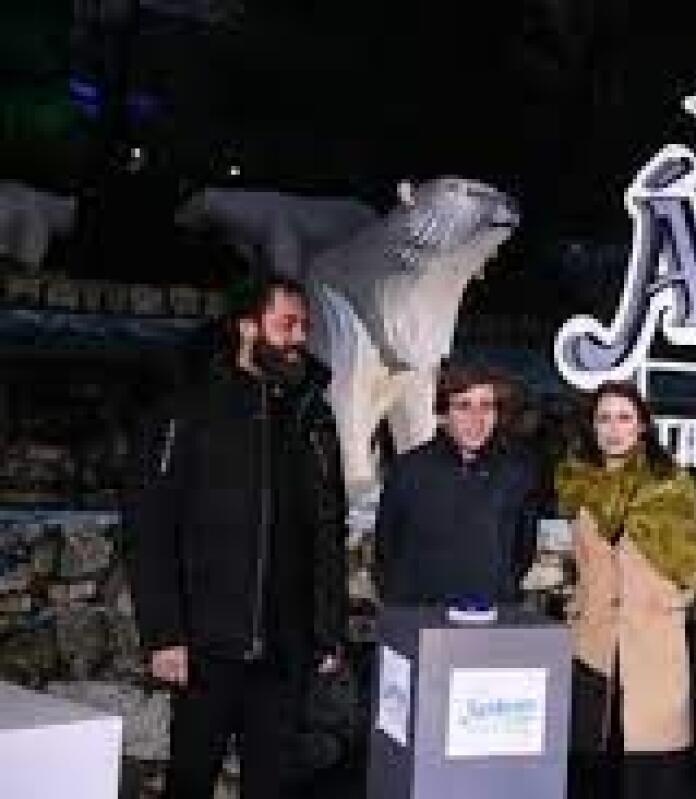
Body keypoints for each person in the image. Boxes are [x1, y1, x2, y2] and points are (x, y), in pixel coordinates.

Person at [124, 275, 349, 799]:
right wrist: (163, 633)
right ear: (248, 326)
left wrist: (328, 628)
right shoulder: (188, 408)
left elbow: (327, 526)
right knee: (191, 780)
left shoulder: (312, 415)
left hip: (284, 649)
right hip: (206, 648)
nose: (298, 338)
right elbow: (150, 526)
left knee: (270, 784)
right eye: (286, 324)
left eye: (304, 327)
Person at [555, 380, 696, 799]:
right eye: (604, 418)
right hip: (594, 644)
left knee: (652, 765)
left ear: (642, 425)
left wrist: (674, 600)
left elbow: (692, 555)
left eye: (624, 417)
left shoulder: (671, 484)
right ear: (591, 426)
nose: (614, 428)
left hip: (652, 642)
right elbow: (585, 563)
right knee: (592, 762)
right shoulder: (577, 483)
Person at [374, 362, 539, 606]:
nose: (477, 419)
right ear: (442, 414)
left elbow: (521, 552)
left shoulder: (516, 473)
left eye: (487, 406)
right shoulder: (408, 471)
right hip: (420, 621)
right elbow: (386, 550)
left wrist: (499, 589)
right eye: (464, 406)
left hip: (492, 621)